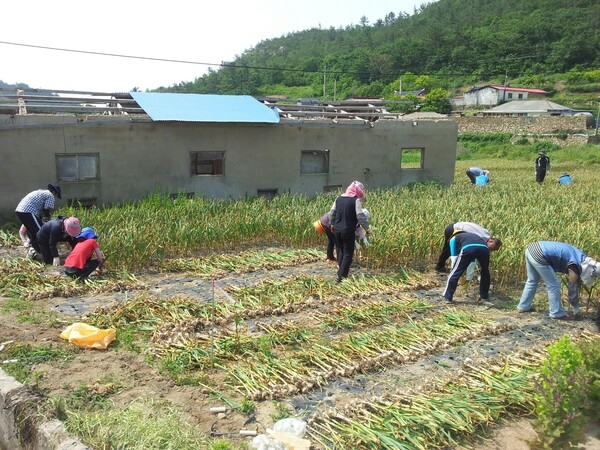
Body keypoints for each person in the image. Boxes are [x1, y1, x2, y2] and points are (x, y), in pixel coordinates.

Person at [516, 241, 600, 320]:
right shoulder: (575, 265)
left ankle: (523, 306)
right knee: (554, 284)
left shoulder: (581, 257)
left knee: (532, 280)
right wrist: (575, 305)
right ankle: (556, 313)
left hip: (531, 249)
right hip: (539, 254)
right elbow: (573, 286)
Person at [329, 181, 371, 283]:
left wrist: (332, 224)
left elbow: (332, 212)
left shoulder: (338, 198)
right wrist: (367, 229)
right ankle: (341, 277)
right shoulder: (355, 200)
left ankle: (340, 272)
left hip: (337, 230)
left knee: (341, 251)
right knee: (348, 254)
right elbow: (360, 216)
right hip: (347, 230)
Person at [441, 233, 502, 303]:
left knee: (456, 272)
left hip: (469, 248)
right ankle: (484, 297)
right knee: (485, 273)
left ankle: (447, 297)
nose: (494, 250)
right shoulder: (457, 239)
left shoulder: (475, 238)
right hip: (481, 250)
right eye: (494, 248)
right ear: (490, 241)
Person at [15, 184, 62, 253]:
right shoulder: (50, 195)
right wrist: (48, 218)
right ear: (54, 192)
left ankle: (37, 250)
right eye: (56, 195)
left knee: (32, 231)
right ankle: (46, 252)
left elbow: (41, 211)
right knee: (41, 232)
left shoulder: (41, 192)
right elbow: (46, 209)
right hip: (28, 211)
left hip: (20, 210)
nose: (55, 197)